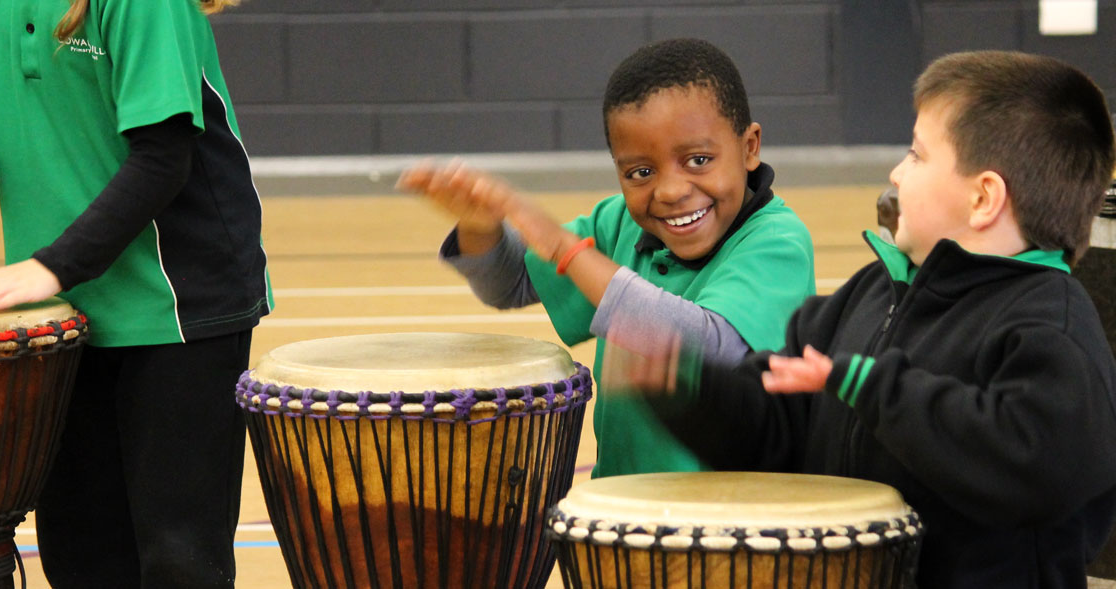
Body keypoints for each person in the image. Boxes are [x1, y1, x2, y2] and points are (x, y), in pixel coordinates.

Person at [635, 51, 1116, 587]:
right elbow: (777, 430)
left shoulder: (1051, 325)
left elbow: (1035, 465)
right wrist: (695, 390)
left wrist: (871, 385)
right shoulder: (869, 294)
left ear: (984, 198)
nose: (896, 171)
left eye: (917, 154)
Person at [0, 0, 272, 586]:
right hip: (64, 313)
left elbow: (163, 157)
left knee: (179, 556)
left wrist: (54, 266)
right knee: (79, 554)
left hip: (179, 300)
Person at [396, 38, 815, 478]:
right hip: (621, 514)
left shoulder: (776, 241)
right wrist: (481, 227)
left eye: (698, 159)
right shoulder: (620, 223)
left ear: (749, 147)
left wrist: (565, 248)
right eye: (641, 172)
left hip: (733, 521)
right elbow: (511, 282)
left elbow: (709, 350)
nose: (670, 191)